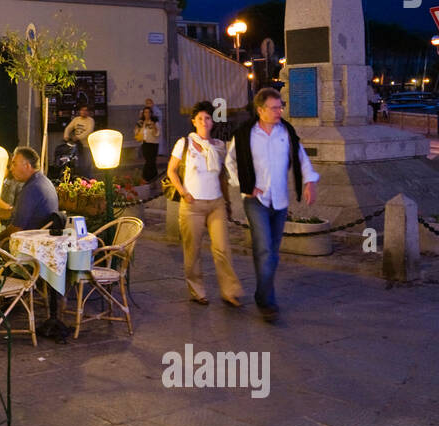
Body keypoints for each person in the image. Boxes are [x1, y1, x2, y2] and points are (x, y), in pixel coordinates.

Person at [225, 87, 320, 321]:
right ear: (260, 110)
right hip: (255, 200)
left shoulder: (286, 131)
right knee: (265, 249)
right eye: (274, 107)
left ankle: (261, 293)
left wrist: (309, 181)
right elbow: (230, 162)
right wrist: (244, 185)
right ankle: (267, 302)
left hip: (280, 200)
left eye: (281, 107)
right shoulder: (245, 133)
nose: (279, 111)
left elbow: (300, 157)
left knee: (271, 251)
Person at [168, 101, 243, 308]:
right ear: (194, 122)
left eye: (207, 118)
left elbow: (223, 176)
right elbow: (171, 170)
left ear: (212, 121)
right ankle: (197, 290)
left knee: (222, 248)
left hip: (216, 202)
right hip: (193, 205)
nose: (204, 122)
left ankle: (230, 291)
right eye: (200, 118)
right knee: (192, 250)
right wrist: (183, 192)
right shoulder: (184, 143)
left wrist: (227, 202)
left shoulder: (219, 146)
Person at [0, 147, 67, 341]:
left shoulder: (31, 189)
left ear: (27, 165)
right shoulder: (44, 182)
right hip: (41, 246)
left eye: (14, 164)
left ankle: (0, 299)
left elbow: (17, 228)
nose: (11, 168)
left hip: (30, 253)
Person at [135, 105, 161, 183]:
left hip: (153, 143)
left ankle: (146, 177)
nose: (147, 114)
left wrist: (154, 127)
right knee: (148, 160)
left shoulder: (155, 122)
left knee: (152, 160)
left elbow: (158, 133)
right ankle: (152, 177)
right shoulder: (141, 122)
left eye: (148, 112)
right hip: (145, 143)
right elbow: (136, 132)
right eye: (145, 112)